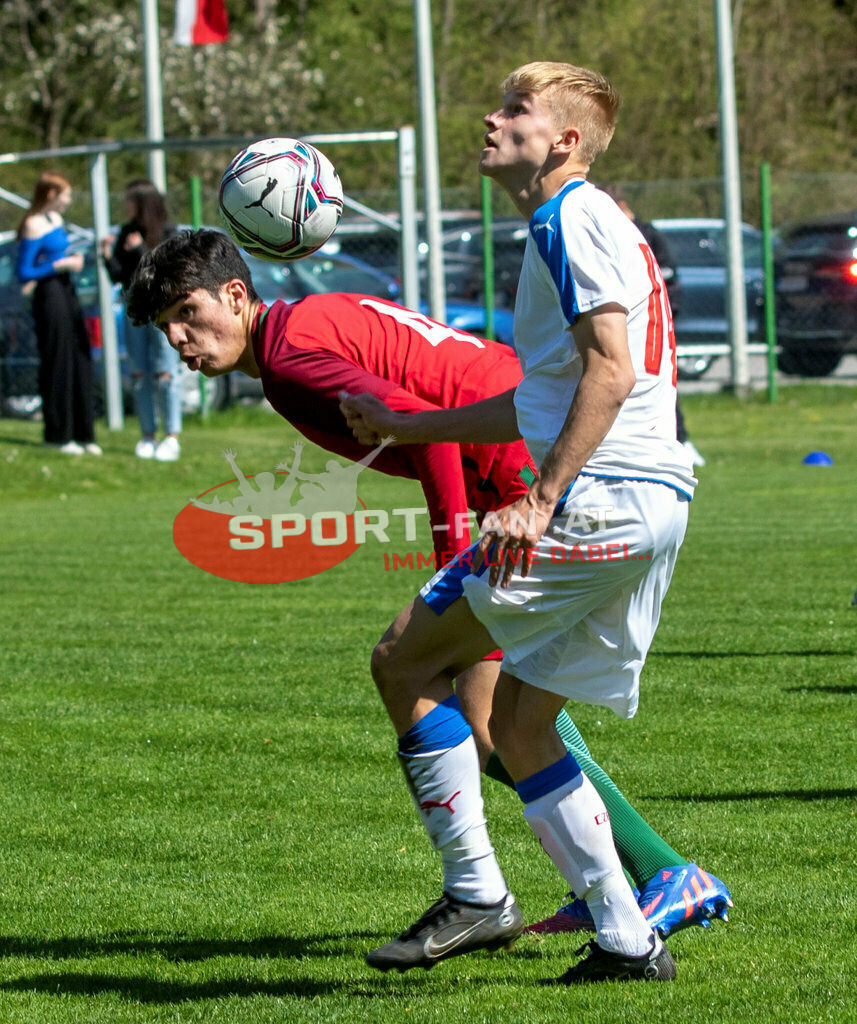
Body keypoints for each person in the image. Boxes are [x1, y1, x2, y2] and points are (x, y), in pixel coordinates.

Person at [125, 228, 730, 948]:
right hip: (524, 452)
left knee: (448, 688)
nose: (182, 341)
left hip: (521, 466)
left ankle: (605, 882)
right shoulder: (302, 328)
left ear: (235, 293)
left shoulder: (292, 357)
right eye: (168, 331)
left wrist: (451, 556)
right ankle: (634, 881)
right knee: (501, 713)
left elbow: (423, 428)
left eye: (188, 315)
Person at [339, 61, 715, 984]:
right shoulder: (574, 222)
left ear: (563, 142)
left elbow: (610, 370)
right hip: (654, 500)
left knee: (406, 658)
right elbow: (544, 397)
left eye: (515, 110)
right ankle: (629, 943)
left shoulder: (570, 216)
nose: (491, 117)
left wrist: (539, 498)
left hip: (599, 498)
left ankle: (474, 892)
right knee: (519, 720)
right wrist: (410, 425)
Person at [602, 184, 705, 467]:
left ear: (621, 206)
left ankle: (680, 441)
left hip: (656, 324)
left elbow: (668, 279)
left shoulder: (648, 235)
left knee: (657, 380)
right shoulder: (609, 235)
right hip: (622, 325)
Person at [15, 171, 101, 455]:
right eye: (64, 195)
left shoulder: (57, 221)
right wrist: (59, 266)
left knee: (79, 356)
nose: (67, 201)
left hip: (67, 291)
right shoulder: (33, 224)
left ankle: (83, 433)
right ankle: (58, 434)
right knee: (58, 359)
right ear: (51, 194)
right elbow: (24, 271)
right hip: (49, 294)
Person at [103, 179, 181, 461]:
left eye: (130, 200)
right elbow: (119, 276)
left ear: (143, 203)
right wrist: (107, 256)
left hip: (161, 310)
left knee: (165, 373)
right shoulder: (127, 231)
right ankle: (147, 435)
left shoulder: (167, 232)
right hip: (134, 310)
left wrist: (138, 250)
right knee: (139, 373)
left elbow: (161, 272)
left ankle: (171, 436)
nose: (126, 206)